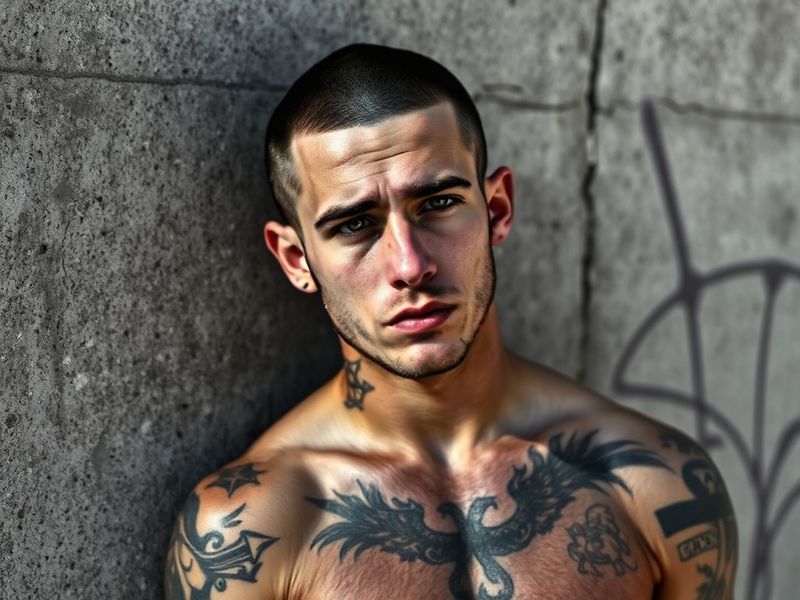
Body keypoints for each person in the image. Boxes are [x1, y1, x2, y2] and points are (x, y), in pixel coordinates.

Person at [164, 44, 737, 599]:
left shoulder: (656, 483)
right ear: (297, 260)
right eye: (355, 226)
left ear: (496, 211)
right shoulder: (249, 531)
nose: (411, 265)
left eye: (437, 203)